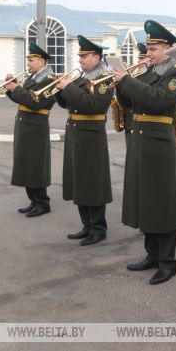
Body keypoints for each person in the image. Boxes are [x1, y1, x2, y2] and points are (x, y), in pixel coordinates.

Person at [115, 20, 176, 284]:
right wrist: (119, 84)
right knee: (146, 200)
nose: (149, 53)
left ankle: (168, 261)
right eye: (147, 48)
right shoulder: (145, 73)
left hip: (159, 144)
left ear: (167, 49)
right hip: (140, 141)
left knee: (162, 203)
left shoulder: (175, 75)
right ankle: (152, 254)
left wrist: (128, 82)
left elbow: (158, 100)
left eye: (154, 49)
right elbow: (128, 103)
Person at [55, 35, 114, 246]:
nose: (80, 60)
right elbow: (67, 104)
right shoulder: (82, 77)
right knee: (79, 180)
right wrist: (59, 90)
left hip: (91, 136)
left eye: (84, 56)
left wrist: (68, 88)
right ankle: (87, 225)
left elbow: (93, 105)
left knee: (92, 181)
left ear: (96, 57)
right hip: (76, 133)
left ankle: (98, 227)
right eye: (80, 56)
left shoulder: (104, 79)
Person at [3, 43, 56, 217]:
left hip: (36, 127)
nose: (28, 63)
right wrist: (11, 89)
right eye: (28, 60)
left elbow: (36, 102)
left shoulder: (49, 79)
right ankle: (34, 200)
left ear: (41, 61)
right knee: (26, 165)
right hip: (25, 125)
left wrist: (16, 89)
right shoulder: (33, 77)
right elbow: (23, 100)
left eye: (31, 60)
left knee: (35, 166)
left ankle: (42, 203)